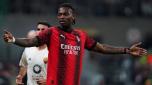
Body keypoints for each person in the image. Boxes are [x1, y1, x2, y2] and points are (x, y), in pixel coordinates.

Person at [3, 3, 147, 85]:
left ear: (73, 17)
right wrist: (14, 40)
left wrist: (127, 50)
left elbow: (101, 48)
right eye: (59, 14)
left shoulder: (81, 36)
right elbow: (31, 41)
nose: (62, 17)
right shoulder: (51, 32)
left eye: (65, 14)